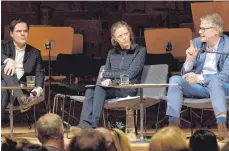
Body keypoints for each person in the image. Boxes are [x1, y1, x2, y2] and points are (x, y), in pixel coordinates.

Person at [166, 13, 229, 141]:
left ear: (216, 31)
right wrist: (189, 60)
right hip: (200, 87)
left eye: (203, 29)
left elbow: (224, 77)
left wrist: (199, 78)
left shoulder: (227, 46)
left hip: (221, 87)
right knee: (175, 81)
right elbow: (185, 75)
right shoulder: (197, 43)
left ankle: (222, 125)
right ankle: (173, 127)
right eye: (200, 28)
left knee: (215, 82)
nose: (200, 32)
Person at [72, 21, 146, 129]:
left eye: (126, 34)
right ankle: (84, 123)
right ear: (115, 39)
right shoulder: (112, 52)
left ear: (130, 33)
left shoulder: (140, 50)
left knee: (99, 88)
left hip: (128, 88)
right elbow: (106, 74)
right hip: (112, 87)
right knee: (90, 90)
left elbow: (130, 74)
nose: (124, 38)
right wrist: (107, 79)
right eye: (120, 36)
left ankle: (93, 126)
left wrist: (107, 75)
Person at [1, 17, 45, 112]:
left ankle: (22, 98)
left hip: (24, 87)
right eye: (18, 31)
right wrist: (9, 60)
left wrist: (39, 87)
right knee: (5, 70)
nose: (22, 34)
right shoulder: (3, 46)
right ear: (11, 34)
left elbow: (39, 72)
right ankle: (22, 99)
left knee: (2, 88)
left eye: (25, 31)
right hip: (6, 86)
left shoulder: (35, 52)